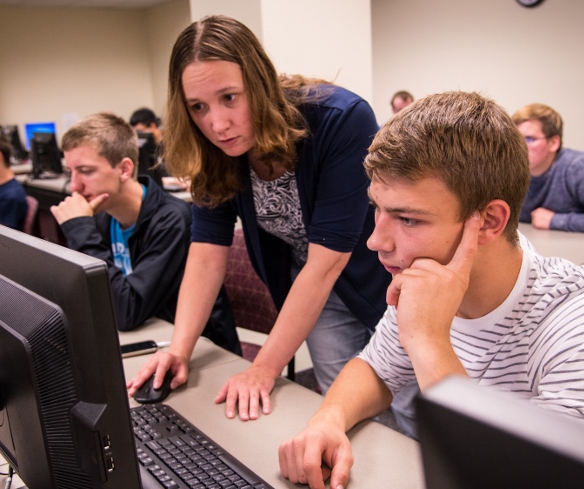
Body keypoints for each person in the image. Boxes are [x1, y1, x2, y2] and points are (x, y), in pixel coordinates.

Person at [278, 91, 584, 489]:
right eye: (377, 209)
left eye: (409, 218)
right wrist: (329, 418)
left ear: (488, 221)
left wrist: (429, 341)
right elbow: (375, 370)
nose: (376, 241)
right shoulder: (426, 280)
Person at [127, 15, 393, 423]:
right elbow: (205, 254)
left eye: (230, 97)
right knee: (345, 410)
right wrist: (179, 349)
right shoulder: (214, 150)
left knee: (414, 413)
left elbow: (329, 261)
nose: (217, 124)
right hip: (314, 287)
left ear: (259, 81)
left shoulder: (340, 119)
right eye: (198, 107)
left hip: (388, 279)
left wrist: (263, 368)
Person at [50, 112, 241, 354]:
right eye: (71, 172)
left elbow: (127, 311)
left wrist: (80, 230)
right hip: (149, 339)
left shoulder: (172, 220)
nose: (75, 186)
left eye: (86, 171)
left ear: (124, 169)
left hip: (201, 353)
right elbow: (85, 299)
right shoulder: (101, 217)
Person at [512, 103, 584, 234]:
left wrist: (555, 220)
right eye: (516, 139)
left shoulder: (578, 167)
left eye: (529, 139)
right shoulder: (509, 170)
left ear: (554, 143)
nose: (519, 147)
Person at [129, 107, 166, 189]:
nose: (138, 136)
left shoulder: (172, 146)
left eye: (140, 131)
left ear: (153, 126)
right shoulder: (142, 150)